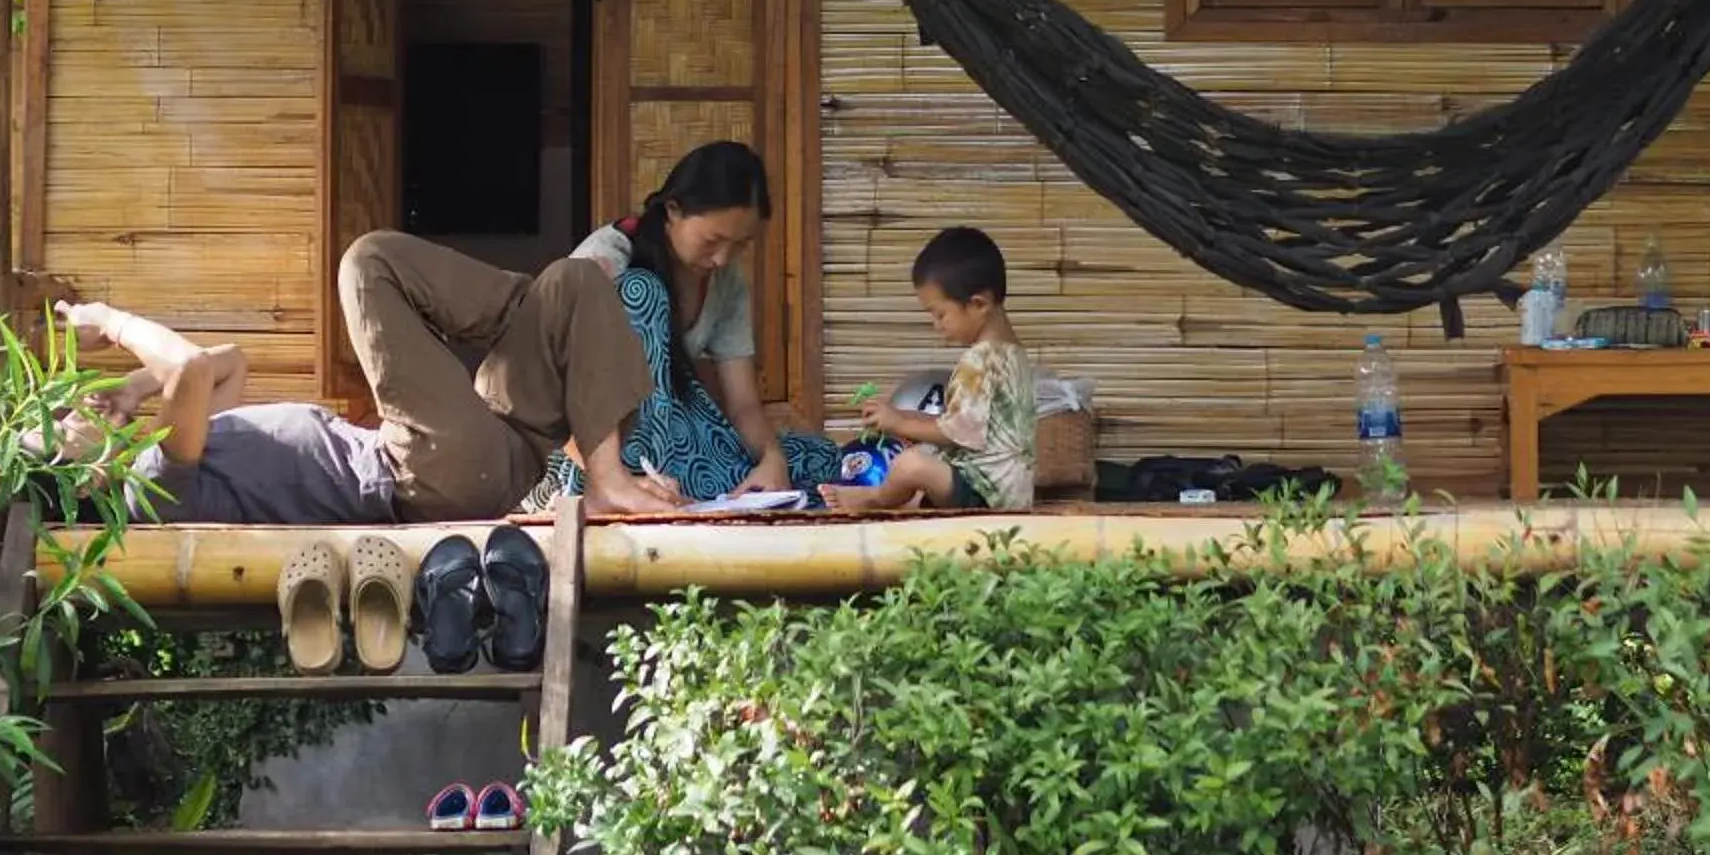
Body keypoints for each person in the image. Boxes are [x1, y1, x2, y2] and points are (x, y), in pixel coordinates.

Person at [58, 229, 689, 523]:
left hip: (492, 454)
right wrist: (109, 320)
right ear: (81, 483)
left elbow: (228, 365)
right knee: (367, 264)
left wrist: (135, 390)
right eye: (57, 433)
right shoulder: (153, 486)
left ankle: (608, 476)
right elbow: (192, 368)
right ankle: (513, 317)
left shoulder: (174, 448)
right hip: (420, 473)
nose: (67, 415)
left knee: (571, 284)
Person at [570, 141, 841, 495]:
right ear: (673, 210)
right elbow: (561, 393)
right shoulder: (605, 260)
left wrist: (772, 460)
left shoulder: (727, 282)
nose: (722, 259)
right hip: (585, 455)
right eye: (713, 240)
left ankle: (701, 485)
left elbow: (742, 402)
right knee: (642, 290)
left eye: (741, 244)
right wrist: (618, 480)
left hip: (678, 437)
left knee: (821, 457)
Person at [818, 226, 1037, 513]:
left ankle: (873, 499)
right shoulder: (1014, 355)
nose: (936, 325)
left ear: (978, 304)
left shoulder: (978, 362)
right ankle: (911, 501)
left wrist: (899, 424)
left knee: (911, 463)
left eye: (940, 313)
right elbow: (966, 422)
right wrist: (900, 415)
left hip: (984, 492)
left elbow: (957, 432)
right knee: (926, 452)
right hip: (1013, 492)